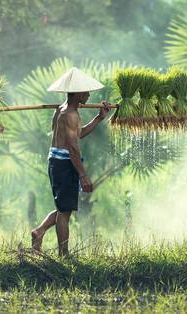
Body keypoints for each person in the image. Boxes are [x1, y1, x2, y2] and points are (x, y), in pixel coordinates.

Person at [30, 67, 111, 257]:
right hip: (64, 164)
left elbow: (77, 134)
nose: (89, 95)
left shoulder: (61, 110)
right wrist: (83, 175)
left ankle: (39, 232)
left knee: (63, 208)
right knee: (65, 213)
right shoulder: (71, 115)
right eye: (86, 91)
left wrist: (99, 118)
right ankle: (64, 255)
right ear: (78, 93)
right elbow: (73, 148)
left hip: (56, 161)